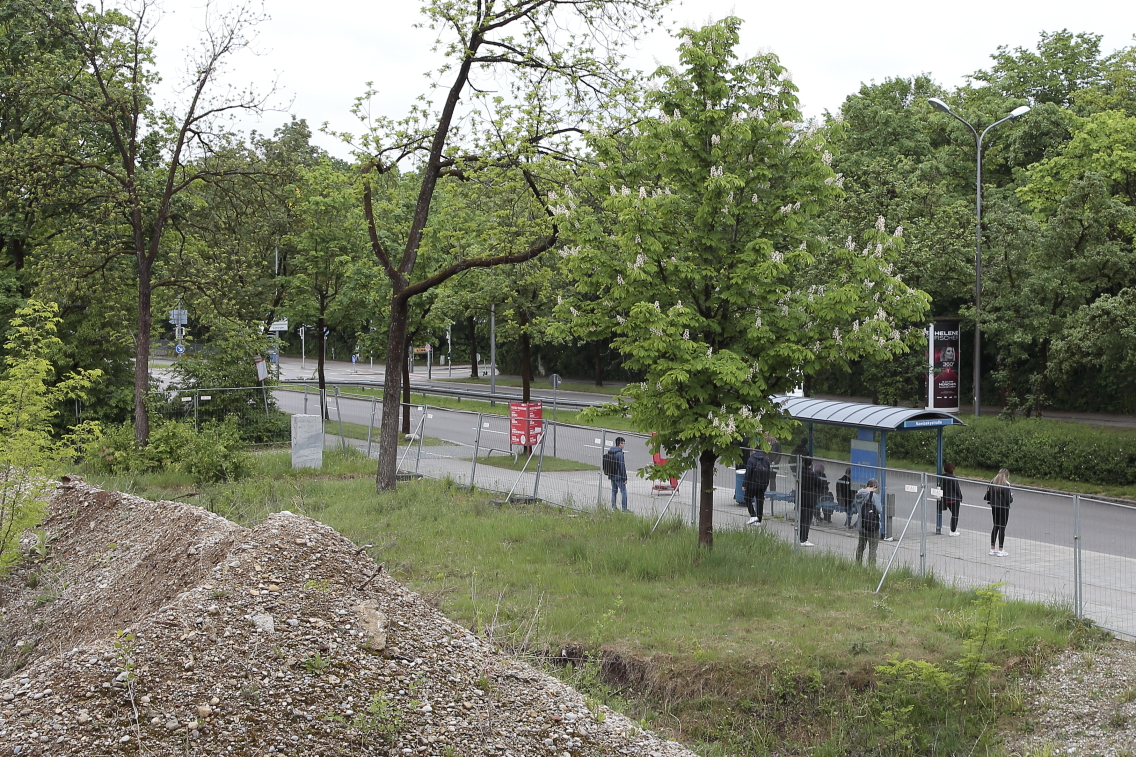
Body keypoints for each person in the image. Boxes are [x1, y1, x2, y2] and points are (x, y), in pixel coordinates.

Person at [984, 468, 1013, 556]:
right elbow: (1008, 500)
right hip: (1004, 508)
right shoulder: (1006, 484)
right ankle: (1001, 549)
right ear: (1007, 475)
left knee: (995, 526)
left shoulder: (992, 482)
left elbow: (988, 496)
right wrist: (1011, 497)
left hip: (994, 507)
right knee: (1002, 528)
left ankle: (992, 548)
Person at [854, 479, 882, 567]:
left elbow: (856, 508)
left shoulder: (858, 494)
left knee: (861, 546)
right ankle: (871, 568)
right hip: (872, 525)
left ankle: (858, 564)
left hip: (861, 524)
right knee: (873, 547)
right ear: (874, 487)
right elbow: (879, 510)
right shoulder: (872, 495)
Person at [743, 448, 772, 526]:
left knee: (747, 498)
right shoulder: (766, 460)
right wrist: (766, 485)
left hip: (752, 484)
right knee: (760, 501)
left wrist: (745, 484)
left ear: (753, 451)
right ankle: (759, 520)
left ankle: (753, 515)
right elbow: (768, 473)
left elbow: (748, 473)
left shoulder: (751, 460)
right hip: (762, 485)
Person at [939, 462, 964, 536]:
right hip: (954, 499)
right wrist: (960, 496)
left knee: (953, 514)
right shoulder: (953, 478)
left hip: (947, 499)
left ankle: (953, 530)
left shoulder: (942, 477)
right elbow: (957, 489)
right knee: (955, 515)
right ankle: (953, 531)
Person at [798, 460, 819, 546]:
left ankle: (800, 538)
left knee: (802, 519)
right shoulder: (812, 474)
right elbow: (819, 483)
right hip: (810, 499)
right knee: (807, 520)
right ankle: (804, 539)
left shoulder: (800, 472)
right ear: (811, 464)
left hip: (802, 497)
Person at [605, 437, 628, 511]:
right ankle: (624, 508)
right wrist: (624, 478)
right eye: (623, 443)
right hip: (619, 476)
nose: (624, 445)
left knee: (614, 491)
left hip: (611, 475)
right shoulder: (620, 453)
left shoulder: (610, 451)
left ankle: (613, 507)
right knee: (624, 492)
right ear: (620, 443)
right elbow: (622, 466)